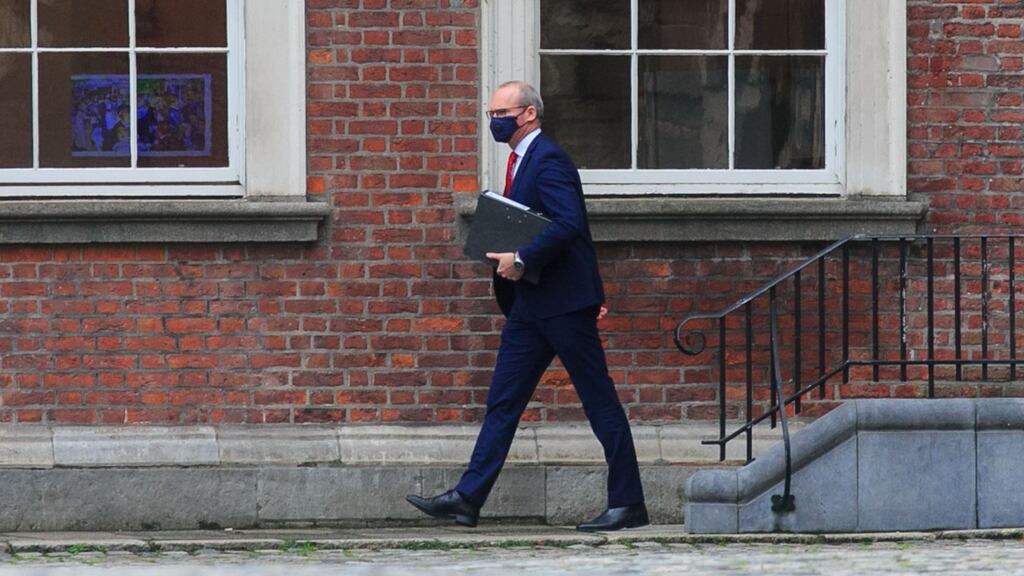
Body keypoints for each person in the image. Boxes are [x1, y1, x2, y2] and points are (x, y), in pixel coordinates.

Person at [406, 81, 648, 532]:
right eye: (491, 113)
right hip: (530, 306)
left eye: (502, 112)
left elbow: (570, 224)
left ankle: (628, 502)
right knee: (503, 401)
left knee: (599, 402)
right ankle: (467, 498)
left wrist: (521, 258)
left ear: (529, 114)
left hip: (563, 304)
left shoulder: (549, 159)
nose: (495, 121)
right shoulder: (522, 161)